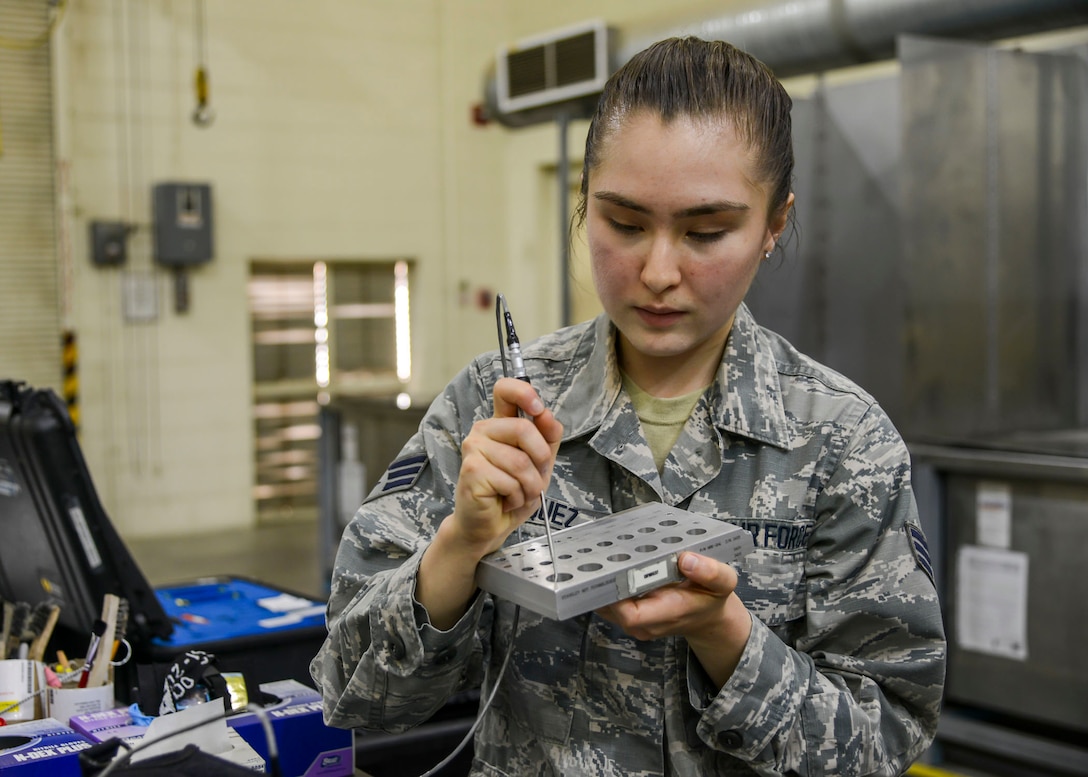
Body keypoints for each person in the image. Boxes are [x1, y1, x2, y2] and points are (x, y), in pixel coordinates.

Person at [312, 36, 946, 776]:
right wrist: (460, 546)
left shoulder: (843, 442)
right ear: (584, 206)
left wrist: (728, 637)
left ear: (775, 225)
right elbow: (350, 694)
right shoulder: (491, 411)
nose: (659, 271)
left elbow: (885, 738)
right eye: (624, 223)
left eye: (706, 231)